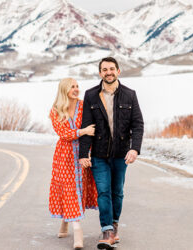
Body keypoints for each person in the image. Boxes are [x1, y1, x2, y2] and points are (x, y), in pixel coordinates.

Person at [79, 57, 144, 249]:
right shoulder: (91, 95)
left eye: (111, 69)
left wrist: (135, 148)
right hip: (99, 155)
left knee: (117, 192)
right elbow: (86, 126)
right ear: (100, 73)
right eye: (104, 69)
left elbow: (138, 125)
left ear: (118, 71)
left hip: (121, 154)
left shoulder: (129, 95)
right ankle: (106, 230)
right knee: (103, 191)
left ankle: (114, 226)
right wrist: (84, 153)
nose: (108, 72)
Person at [49, 78, 98, 250]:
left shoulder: (85, 105)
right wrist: (83, 131)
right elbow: (63, 133)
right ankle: (77, 231)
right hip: (64, 155)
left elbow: (95, 125)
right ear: (64, 89)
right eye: (72, 87)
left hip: (84, 152)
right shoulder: (55, 110)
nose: (76, 89)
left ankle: (65, 222)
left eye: (77, 86)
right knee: (69, 188)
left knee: (78, 189)